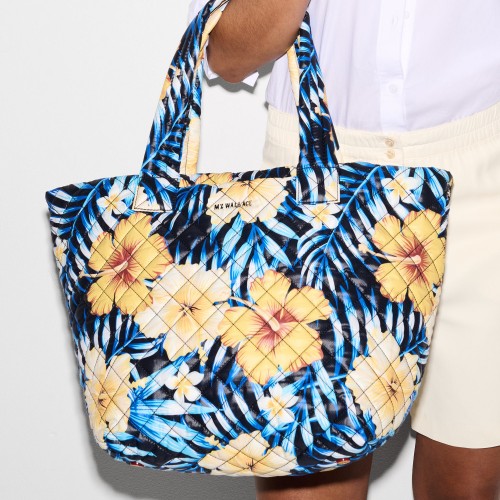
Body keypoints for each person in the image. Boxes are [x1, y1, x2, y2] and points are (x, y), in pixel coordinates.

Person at [187, 1, 500, 498]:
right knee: (306, 475)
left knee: (467, 484)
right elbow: (226, 52)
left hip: (483, 172)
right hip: (310, 188)